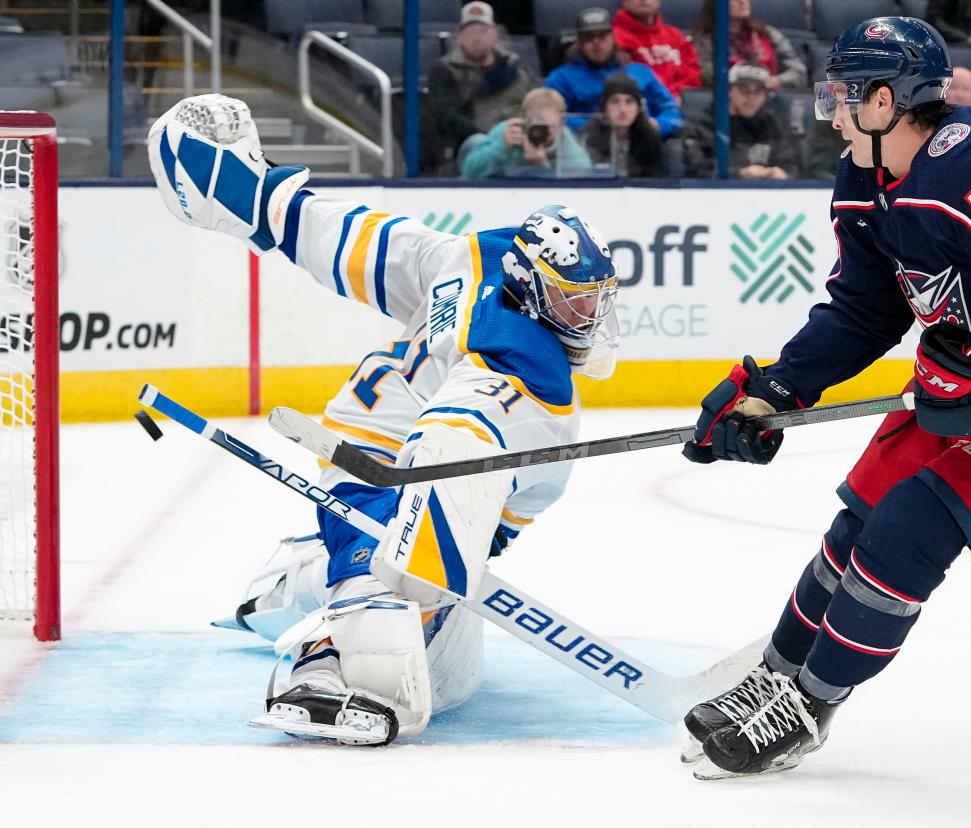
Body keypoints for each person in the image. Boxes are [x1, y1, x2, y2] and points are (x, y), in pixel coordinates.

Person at [676, 16, 971, 780]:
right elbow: (865, 308)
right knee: (852, 530)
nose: (830, 110)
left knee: (904, 531)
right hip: (964, 382)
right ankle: (774, 679)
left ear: (885, 100)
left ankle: (809, 706)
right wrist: (779, 386)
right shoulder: (865, 179)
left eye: (842, 94)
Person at [147, 94, 619, 746]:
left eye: (594, 299)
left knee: (403, 592)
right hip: (378, 466)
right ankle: (320, 659)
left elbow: (348, 239)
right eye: (573, 301)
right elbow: (450, 441)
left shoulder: (465, 259)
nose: (588, 316)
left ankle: (297, 578)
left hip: (359, 442)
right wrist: (428, 569)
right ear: (532, 288)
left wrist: (262, 200)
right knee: (415, 643)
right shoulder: (527, 377)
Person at [423, 2, 535, 176]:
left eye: (482, 31)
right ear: (459, 36)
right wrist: (493, 136)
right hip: (477, 141)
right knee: (478, 143)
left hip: (520, 138)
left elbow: (532, 102)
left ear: (494, 34)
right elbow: (445, 116)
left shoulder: (515, 67)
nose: (476, 38)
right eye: (470, 31)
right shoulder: (445, 70)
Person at [545, 7, 684, 140]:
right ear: (579, 42)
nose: (596, 42)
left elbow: (671, 111)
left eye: (602, 36)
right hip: (586, 147)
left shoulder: (640, 72)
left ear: (613, 38)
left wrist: (659, 125)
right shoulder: (561, 78)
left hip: (642, 144)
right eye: (589, 37)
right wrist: (595, 127)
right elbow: (548, 114)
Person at [684, 63, 800, 179]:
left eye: (759, 91)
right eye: (744, 89)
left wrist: (783, 175)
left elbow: (792, 166)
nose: (751, 97)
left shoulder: (772, 124)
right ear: (729, 91)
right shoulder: (704, 125)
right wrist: (739, 174)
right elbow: (695, 172)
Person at [459, 87, 592, 179]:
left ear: (562, 123)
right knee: (475, 142)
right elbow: (470, 172)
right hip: (498, 193)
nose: (546, 132)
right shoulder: (509, 131)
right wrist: (501, 147)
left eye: (551, 126)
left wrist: (540, 166)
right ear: (525, 121)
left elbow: (581, 179)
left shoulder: (568, 145)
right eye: (540, 125)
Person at [691, 0, 808, 91]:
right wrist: (743, 83)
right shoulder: (705, 39)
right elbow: (706, 74)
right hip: (727, 102)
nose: (743, 1)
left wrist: (778, 81)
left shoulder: (767, 33)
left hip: (770, 97)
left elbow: (798, 71)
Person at [581, 73, 669, 177]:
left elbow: (657, 180)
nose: (622, 109)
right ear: (604, 107)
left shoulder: (649, 137)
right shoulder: (590, 135)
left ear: (639, 108)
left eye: (629, 102)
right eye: (615, 102)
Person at [612, 0, 702, 100]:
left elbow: (692, 78)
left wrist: (677, 96)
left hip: (682, 103)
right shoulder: (612, 39)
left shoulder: (675, 36)